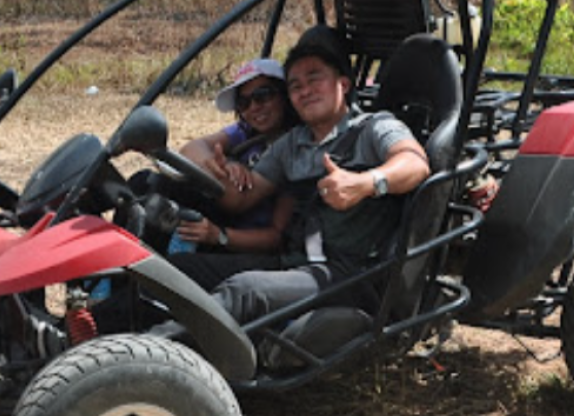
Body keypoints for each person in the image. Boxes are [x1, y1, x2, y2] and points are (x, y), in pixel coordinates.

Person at [175, 24, 430, 325]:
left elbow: (415, 162)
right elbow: (240, 201)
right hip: (294, 264)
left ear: (343, 84)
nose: (305, 90)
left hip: (351, 274)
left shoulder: (372, 127)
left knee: (245, 291)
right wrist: (220, 170)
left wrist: (365, 183)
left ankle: (146, 359)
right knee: (178, 271)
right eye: (295, 86)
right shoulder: (292, 144)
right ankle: (115, 336)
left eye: (314, 78)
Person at [159, 58, 296, 289]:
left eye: (263, 96)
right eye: (243, 103)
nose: (254, 107)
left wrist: (219, 236)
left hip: (253, 249)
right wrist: (220, 163)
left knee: (176, 271)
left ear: (284, 96)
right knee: (150, 184)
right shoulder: (246, 132)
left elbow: (276, 237)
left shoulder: (295, 146)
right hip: (226, 225)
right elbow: (192, 149)